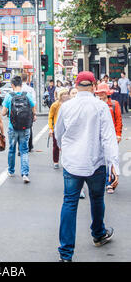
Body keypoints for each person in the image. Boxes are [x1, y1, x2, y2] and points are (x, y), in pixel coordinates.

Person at [55, 71, 120, 262]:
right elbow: (108, 138)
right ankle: (98, 234)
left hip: (72, 162)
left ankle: (66, 254)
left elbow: (59, 134)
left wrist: (65, 151)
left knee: (69, 203)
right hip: (95, 162)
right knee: (97, 198)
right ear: (93, 86)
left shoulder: (66, 107)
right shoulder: (100, 107)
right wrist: (113, 165)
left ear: (76, 86)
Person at [2, 76, 36, 184]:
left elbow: (3, 112)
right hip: (25, 127)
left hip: (13, 127)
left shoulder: (9, 96)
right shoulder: (27, 95)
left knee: (12, 149)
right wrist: (33, 115)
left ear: (12, 85)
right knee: (24, 150)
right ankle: (25, 174)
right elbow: (33, 107)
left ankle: (11, 171)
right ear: (21, 84)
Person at [95, 82, 123, 194]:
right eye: (99, 92)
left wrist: (118, 134)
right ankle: (100, 182)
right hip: (98, 136)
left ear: (107, 93)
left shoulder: (114, 104)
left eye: (103, 92)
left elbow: (118, 120)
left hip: (111, 136)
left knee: (111, 159)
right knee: (100, 160)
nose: (101, 94)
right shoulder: (96, 104)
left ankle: (109, 183)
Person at [48, 88, 70, 169]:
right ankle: (55, 161)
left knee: (67, 145)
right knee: (56, 145)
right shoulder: (55, 104)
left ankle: (66, 161)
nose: (65, 96)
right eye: (63, 94)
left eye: (67, 94)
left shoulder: (70, 104)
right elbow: (50, 117)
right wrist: (50, 128)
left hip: (67, 127)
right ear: (60, 96)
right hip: (57, 128)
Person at [21, 73, 36, 151]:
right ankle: (29, 146)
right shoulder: (30, 89)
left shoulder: (18, 89)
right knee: (29, 128)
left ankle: (20, 146)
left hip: (18, 111)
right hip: (28, 111)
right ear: (27, 79)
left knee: (19, 129)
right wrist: (34, 114)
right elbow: (33, 102)